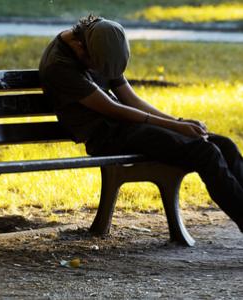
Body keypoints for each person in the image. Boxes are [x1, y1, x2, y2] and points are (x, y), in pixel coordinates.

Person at [39, 15, 243, 232]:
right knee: (206, 153)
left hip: (130, 128)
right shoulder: (59, 66)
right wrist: (175, 127)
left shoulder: (102, 43)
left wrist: (177, 121)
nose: (99, 72)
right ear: (81, 46)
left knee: (225, 145)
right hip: (106, 137)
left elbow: (131, 100)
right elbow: (114, 109)